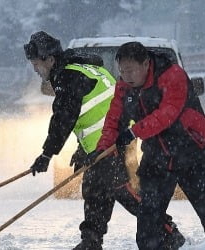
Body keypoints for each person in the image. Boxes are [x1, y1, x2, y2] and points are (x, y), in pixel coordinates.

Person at [24, 31, 185, 250]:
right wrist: (82, 149)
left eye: (36, 64)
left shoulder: (67, 77)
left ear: (49, 59)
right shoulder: (82, 67)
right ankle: (91, 240)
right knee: (95, 190)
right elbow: (92, 111)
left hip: (113, 142)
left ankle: (168, 232)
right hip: (106, 141)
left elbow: (63, 119)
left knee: (125, 191)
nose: (36, 70)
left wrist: (46, 154)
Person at [89, 41, 205, 249]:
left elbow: (166, 114)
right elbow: (113, 120)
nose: (126, 76)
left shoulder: (172, 75)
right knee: (148, 217)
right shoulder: (124, 86)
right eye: (122, 71)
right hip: (157, 155)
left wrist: (133, 132)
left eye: (130, 70)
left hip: (192, 150)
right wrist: (101, 149)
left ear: (146, 64)